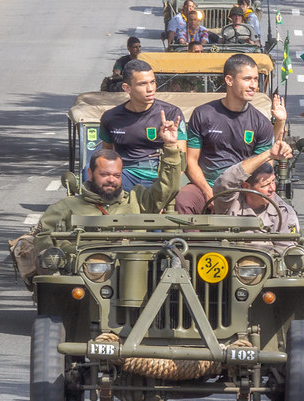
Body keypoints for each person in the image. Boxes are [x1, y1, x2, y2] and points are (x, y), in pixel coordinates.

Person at [34, 115, 182, 255]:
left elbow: (167, 188)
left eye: (117, 175)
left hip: (135, 274)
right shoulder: (66, 207)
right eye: (104, 175)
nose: (111, 180)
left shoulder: (137, 201)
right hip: (85, 276)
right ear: (91, 174)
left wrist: (170, 146)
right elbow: (43, 237)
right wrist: (66, 248)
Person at [175, 53, 286, 213]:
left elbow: (264, 167)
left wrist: (280, 123)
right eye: (247, 79)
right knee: (184, 201)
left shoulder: (261, 122)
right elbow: (190, 161)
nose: (253, 85)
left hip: (244, 188)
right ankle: (194, 239)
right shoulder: (203, 114)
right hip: (205, 185)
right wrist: (208, 191)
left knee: (281, 211)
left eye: (255, 79)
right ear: (229, 80)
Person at [99, 60, 187, 191]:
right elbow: (107, 156)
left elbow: (181, 162)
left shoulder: (171, 113)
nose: (150, 89)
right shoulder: (111, 118)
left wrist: (170, 143)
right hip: (125, 176)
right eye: (143, 84)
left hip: (160, 176)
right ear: (127, 88)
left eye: (152, 82)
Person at [212, 140, 299, 240]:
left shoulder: (283, 213)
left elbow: (285, 249)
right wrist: (269, 154)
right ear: (246, 186)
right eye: (265, 185)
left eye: (273, 182)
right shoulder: (230, 202)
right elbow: (225, 182)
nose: (272, 189)